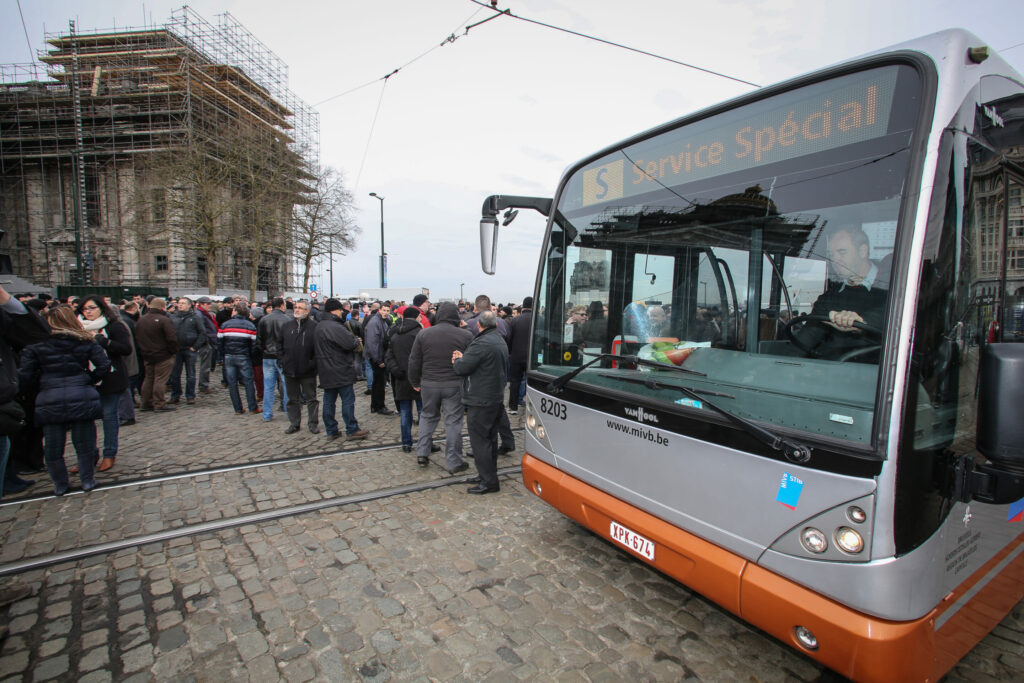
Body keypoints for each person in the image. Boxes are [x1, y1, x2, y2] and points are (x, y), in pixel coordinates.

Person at [19, 306, 111, 495]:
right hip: (81, 394)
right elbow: (104, 365)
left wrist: (42, 385)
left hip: (50, 395)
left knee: (53, 446)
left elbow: (25, 376)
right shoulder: (85, 341)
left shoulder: (37, 345)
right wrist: (88, 379)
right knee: (84, 443)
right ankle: (87, 480)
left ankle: (60, 484)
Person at [801, 226, 888, 359]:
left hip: (881, 374)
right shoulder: (829, 298)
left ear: (863, 251)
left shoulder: (893, 284)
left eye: (842, 252)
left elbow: (891, 313)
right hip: (834, 372)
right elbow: (806, 339)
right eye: (831, 255)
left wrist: (861, 322)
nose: (835, 260)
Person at [409, 302, 472, 469]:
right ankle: (454, 461)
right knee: (452, 422)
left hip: (429, 383)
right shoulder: (465, 335)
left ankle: (422, 453)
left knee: (427, 417)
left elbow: (414, 360)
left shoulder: (424, 334)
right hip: (453, 384)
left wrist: (414, 381)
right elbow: (471, 361)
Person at [452, 311, 508, 494]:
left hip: (481, 398)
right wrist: (464, 357)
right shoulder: (498, 339)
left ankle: (488, 481)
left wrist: (457, 360)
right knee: (489, 439)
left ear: (479, 325)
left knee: (480, 442)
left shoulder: (482, 342)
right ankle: (487, 475)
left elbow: (462, 368)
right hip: (493, 396)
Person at [76, 296, 133, 472]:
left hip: (110, 378)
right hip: (85, 378)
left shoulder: (113, 326)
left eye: (92, 307)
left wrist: (104, 341)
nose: (88, 311)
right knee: (85, 420)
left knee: (109, 417)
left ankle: (109, 454)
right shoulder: (78, 328)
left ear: (101, 308)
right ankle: (88, 456)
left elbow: (126, 349)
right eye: (85, 309)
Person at [464, 295, 515, 455]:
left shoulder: (471, 324)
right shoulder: (501, 323)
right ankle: (508, 441)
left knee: (482, 417)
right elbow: (508, 340)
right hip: (500, 369)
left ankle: (481, 448)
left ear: (475, 307)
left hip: (480, 373)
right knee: (498, 407)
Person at [314, 299, 369, 441]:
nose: (342, 313)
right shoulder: (335, 326)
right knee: (347, 400)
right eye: (340, 310)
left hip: (325, 369)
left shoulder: (319, 326)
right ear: (335, 310)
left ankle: (331, 430)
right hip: (340, 368)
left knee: (328, 401)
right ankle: (352, 429)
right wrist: (357, 340)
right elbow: (349, 344)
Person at [386, 307, 423, 453]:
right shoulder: (420, 334)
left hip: (402, 378)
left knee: (406, 412)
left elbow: (389, 356)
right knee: (423, 413)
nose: (421, 319)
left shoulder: (395, 335)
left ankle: (406, 443)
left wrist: (396, 371)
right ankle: (425, 442)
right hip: (418, 379)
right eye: (420, 316)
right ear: (416, 318)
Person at [279, 300, 319, 434]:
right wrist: (282, 360)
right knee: (292, 399)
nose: (297, 310)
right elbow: (279, 345)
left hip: (307, 370)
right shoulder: (286, 326)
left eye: (300, 308)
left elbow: (318, 348)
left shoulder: (314, 326)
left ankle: (313, 423)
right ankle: (294, 423)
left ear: (307, 311)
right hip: (290, 369)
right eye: (296, 307)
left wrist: (312, 363)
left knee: (311, 398)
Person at [135, 298, 178, 412]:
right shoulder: (164, 320)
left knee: (148, 379)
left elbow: (138, 337)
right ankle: (159, 403)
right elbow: (172, 338)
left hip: (147, 354)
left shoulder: (142, 319)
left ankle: (145, 403)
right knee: (160, 379)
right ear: (163, 307)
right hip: (163, 355)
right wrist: (172, 351)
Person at [218, 302, 259, 415]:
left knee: (232, 383)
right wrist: (250, 355)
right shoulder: (250, 325)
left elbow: (219, 342)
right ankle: (252, 407)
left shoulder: (225, 325)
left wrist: (224, 353)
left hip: (229, 356)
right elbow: (254, 344)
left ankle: (238, 408)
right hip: (244, 356)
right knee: (248, 382)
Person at [257, 297, 290, 421]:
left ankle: (267, 414)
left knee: (268, 386)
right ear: (282, 305)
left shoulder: (264, 320)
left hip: (267, 356)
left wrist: (264, 351)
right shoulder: (287, 320)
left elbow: (259, 340)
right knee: (286, 385)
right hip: (281, 356)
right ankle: (289, 412)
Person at [168, 297, 206, 405]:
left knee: (191, 374)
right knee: (175, 374)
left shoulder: (195, 317)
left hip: (190, 349)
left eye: (183, 303)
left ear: (189, 305)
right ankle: (175, 395)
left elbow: (202, 333)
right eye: (179, 303)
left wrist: (195, 347)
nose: (180, 305)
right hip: (177, 349)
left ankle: (190, 395)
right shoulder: (173, 317)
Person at [362, 302, 395, 415]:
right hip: (377, 357)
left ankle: (376, 405)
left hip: (380, 355)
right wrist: (379, 360)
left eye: (387, 310)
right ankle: (379, 406)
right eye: (384, 310)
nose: (386, 313)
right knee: (379, 383)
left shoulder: (383, 321)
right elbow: (372, 343)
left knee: (378, 382)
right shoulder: (374, 322)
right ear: (379, 310)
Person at [507, 296, 534, 415]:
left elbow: (509, 338)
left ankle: (513, 407)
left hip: (516, 356)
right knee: (533, 383)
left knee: (515, 382)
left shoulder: (515, 320)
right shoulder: (538, 319)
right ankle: (533, 406)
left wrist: (510, 352)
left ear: (523, 306)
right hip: (532, 357)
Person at [194, 297, 219, 394]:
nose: (210, 306)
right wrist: (206, 341)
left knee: (206, 365)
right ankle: (203, 385)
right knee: (205, 365)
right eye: (208, 304)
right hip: (206, 342)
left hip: (209, 341)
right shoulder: (200, 314)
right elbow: (202, 330)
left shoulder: (203, 314)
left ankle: (204, 384)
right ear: (202, 304)